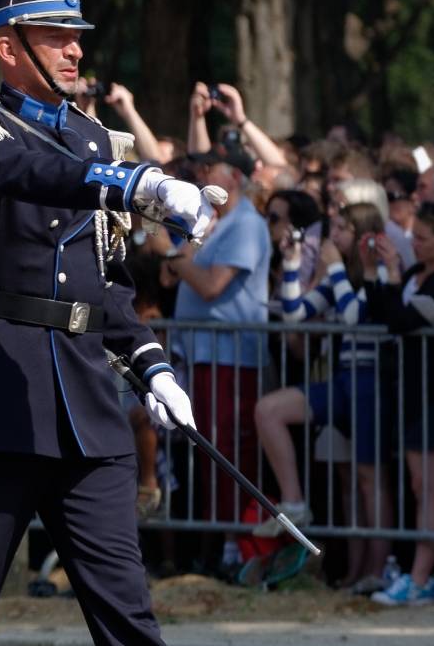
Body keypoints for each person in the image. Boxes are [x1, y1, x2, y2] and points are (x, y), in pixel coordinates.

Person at [0, 0, 211, 646]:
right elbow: (34, 173)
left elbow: (101, 283)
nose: (75, 51)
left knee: (127, 612)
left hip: (86, 400)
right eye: (56, 37)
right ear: (9, 49)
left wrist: (151, 366)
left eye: (78, 37)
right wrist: (135, 184)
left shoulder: (94, 139)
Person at [251, 202, 395, 592]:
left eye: (343, 229)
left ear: (364, 232)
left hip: (372, 385)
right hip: (342, 380)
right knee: (269, 410)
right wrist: (294, 264)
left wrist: (331, 268)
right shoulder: (339, 275)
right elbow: (296, 313)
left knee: (369, 479)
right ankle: (296, 503)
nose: (334, 237)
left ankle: (375, 571)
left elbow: (355, 317)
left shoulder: (380, 269)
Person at [367, 202, 434, 606]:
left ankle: (419, 577)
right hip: (411, 391)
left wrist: (394, 278)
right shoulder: (417, 272)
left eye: (423, 237)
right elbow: (380, 310)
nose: (413, 241)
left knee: (427, 487)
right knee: (428, 488)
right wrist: (378, 270)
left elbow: (400, 320)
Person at [166, 154, 271, 574]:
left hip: (232, 356)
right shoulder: (219, 222)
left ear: (238, 177)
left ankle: (236, 546)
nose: (206, 178)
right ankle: (222, 544)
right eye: (203, 172)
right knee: (212, 450)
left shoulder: (246, 223)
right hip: (206, 354)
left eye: (215, 171)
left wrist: (169, 257)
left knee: (228, 450)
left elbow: (212, 285)